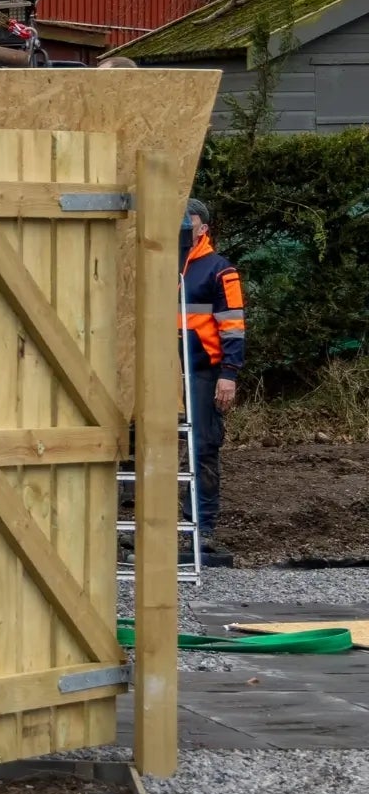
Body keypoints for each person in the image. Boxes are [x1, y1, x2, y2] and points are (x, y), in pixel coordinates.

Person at [181, 197, 245, 555]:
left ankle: (202, 527)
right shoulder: (160, 263)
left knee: (203, 447)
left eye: (187, 221)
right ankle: (153, 526)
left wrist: (229, 373)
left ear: (203, 228)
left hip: (203, 372)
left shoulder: (220, 270)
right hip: (162, 372)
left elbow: (233, 326)